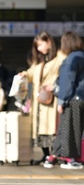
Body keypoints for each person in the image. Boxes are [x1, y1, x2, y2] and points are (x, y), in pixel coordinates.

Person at [18, 31, 67, 166]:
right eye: (37, 46)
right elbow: (31, 73)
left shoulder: (61, 57)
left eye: (40, 45)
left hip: (51, 98)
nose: (39, 49)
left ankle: (54, 154)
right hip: (39, 99)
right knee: (40, 128)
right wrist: (25, 74)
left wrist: (55, 85)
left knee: (52, 127)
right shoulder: (39, 60)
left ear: (49, 42)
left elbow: (66, 74)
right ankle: (46, 155)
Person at [46, 31, 84, 169]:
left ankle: (72, 159)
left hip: (74, 99)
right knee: (79, 130)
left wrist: (61, 101)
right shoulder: (82, 56)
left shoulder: (71, 59)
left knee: (69, 129)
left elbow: (67, 82)